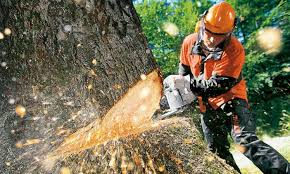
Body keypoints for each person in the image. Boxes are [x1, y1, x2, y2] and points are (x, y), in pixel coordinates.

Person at [178, 2, 290, 174]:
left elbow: (218, 86)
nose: (213, 39)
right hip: (206, 106)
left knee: (245, 141)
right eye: (210, 33)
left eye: (220, 35)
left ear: (229, 31)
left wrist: (191, 87)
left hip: (232, 101)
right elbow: (183, 72)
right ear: (202, 25)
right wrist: (180, 90)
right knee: (217, 152)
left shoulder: (234, 49)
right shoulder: (189, 42)